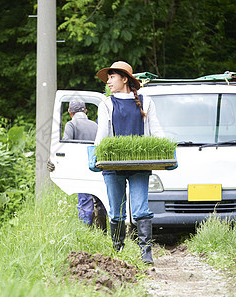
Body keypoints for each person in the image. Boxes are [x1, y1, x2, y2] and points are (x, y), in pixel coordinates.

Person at [94, 61, 164, 264]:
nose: (108, 81)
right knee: (116, 212)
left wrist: (168, 150)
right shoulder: (106, 104)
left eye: (112, 77)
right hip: (113, 166)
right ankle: (118, 251)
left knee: (141, 209)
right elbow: (102, 135)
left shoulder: (146, 101)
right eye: (107, 78)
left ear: (125, 79)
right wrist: (96, 155)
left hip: (139, 164)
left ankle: (146, 252)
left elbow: (156, 129)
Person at [48, 101, 108, 231]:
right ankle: (103, 231)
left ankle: (86, 232)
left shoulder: (71, 124)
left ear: (70, 112)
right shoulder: (95, 125)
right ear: (85, 111)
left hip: (80, 169)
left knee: (85, 202)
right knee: (100, 200)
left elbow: (66, 146)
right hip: (97, 167)